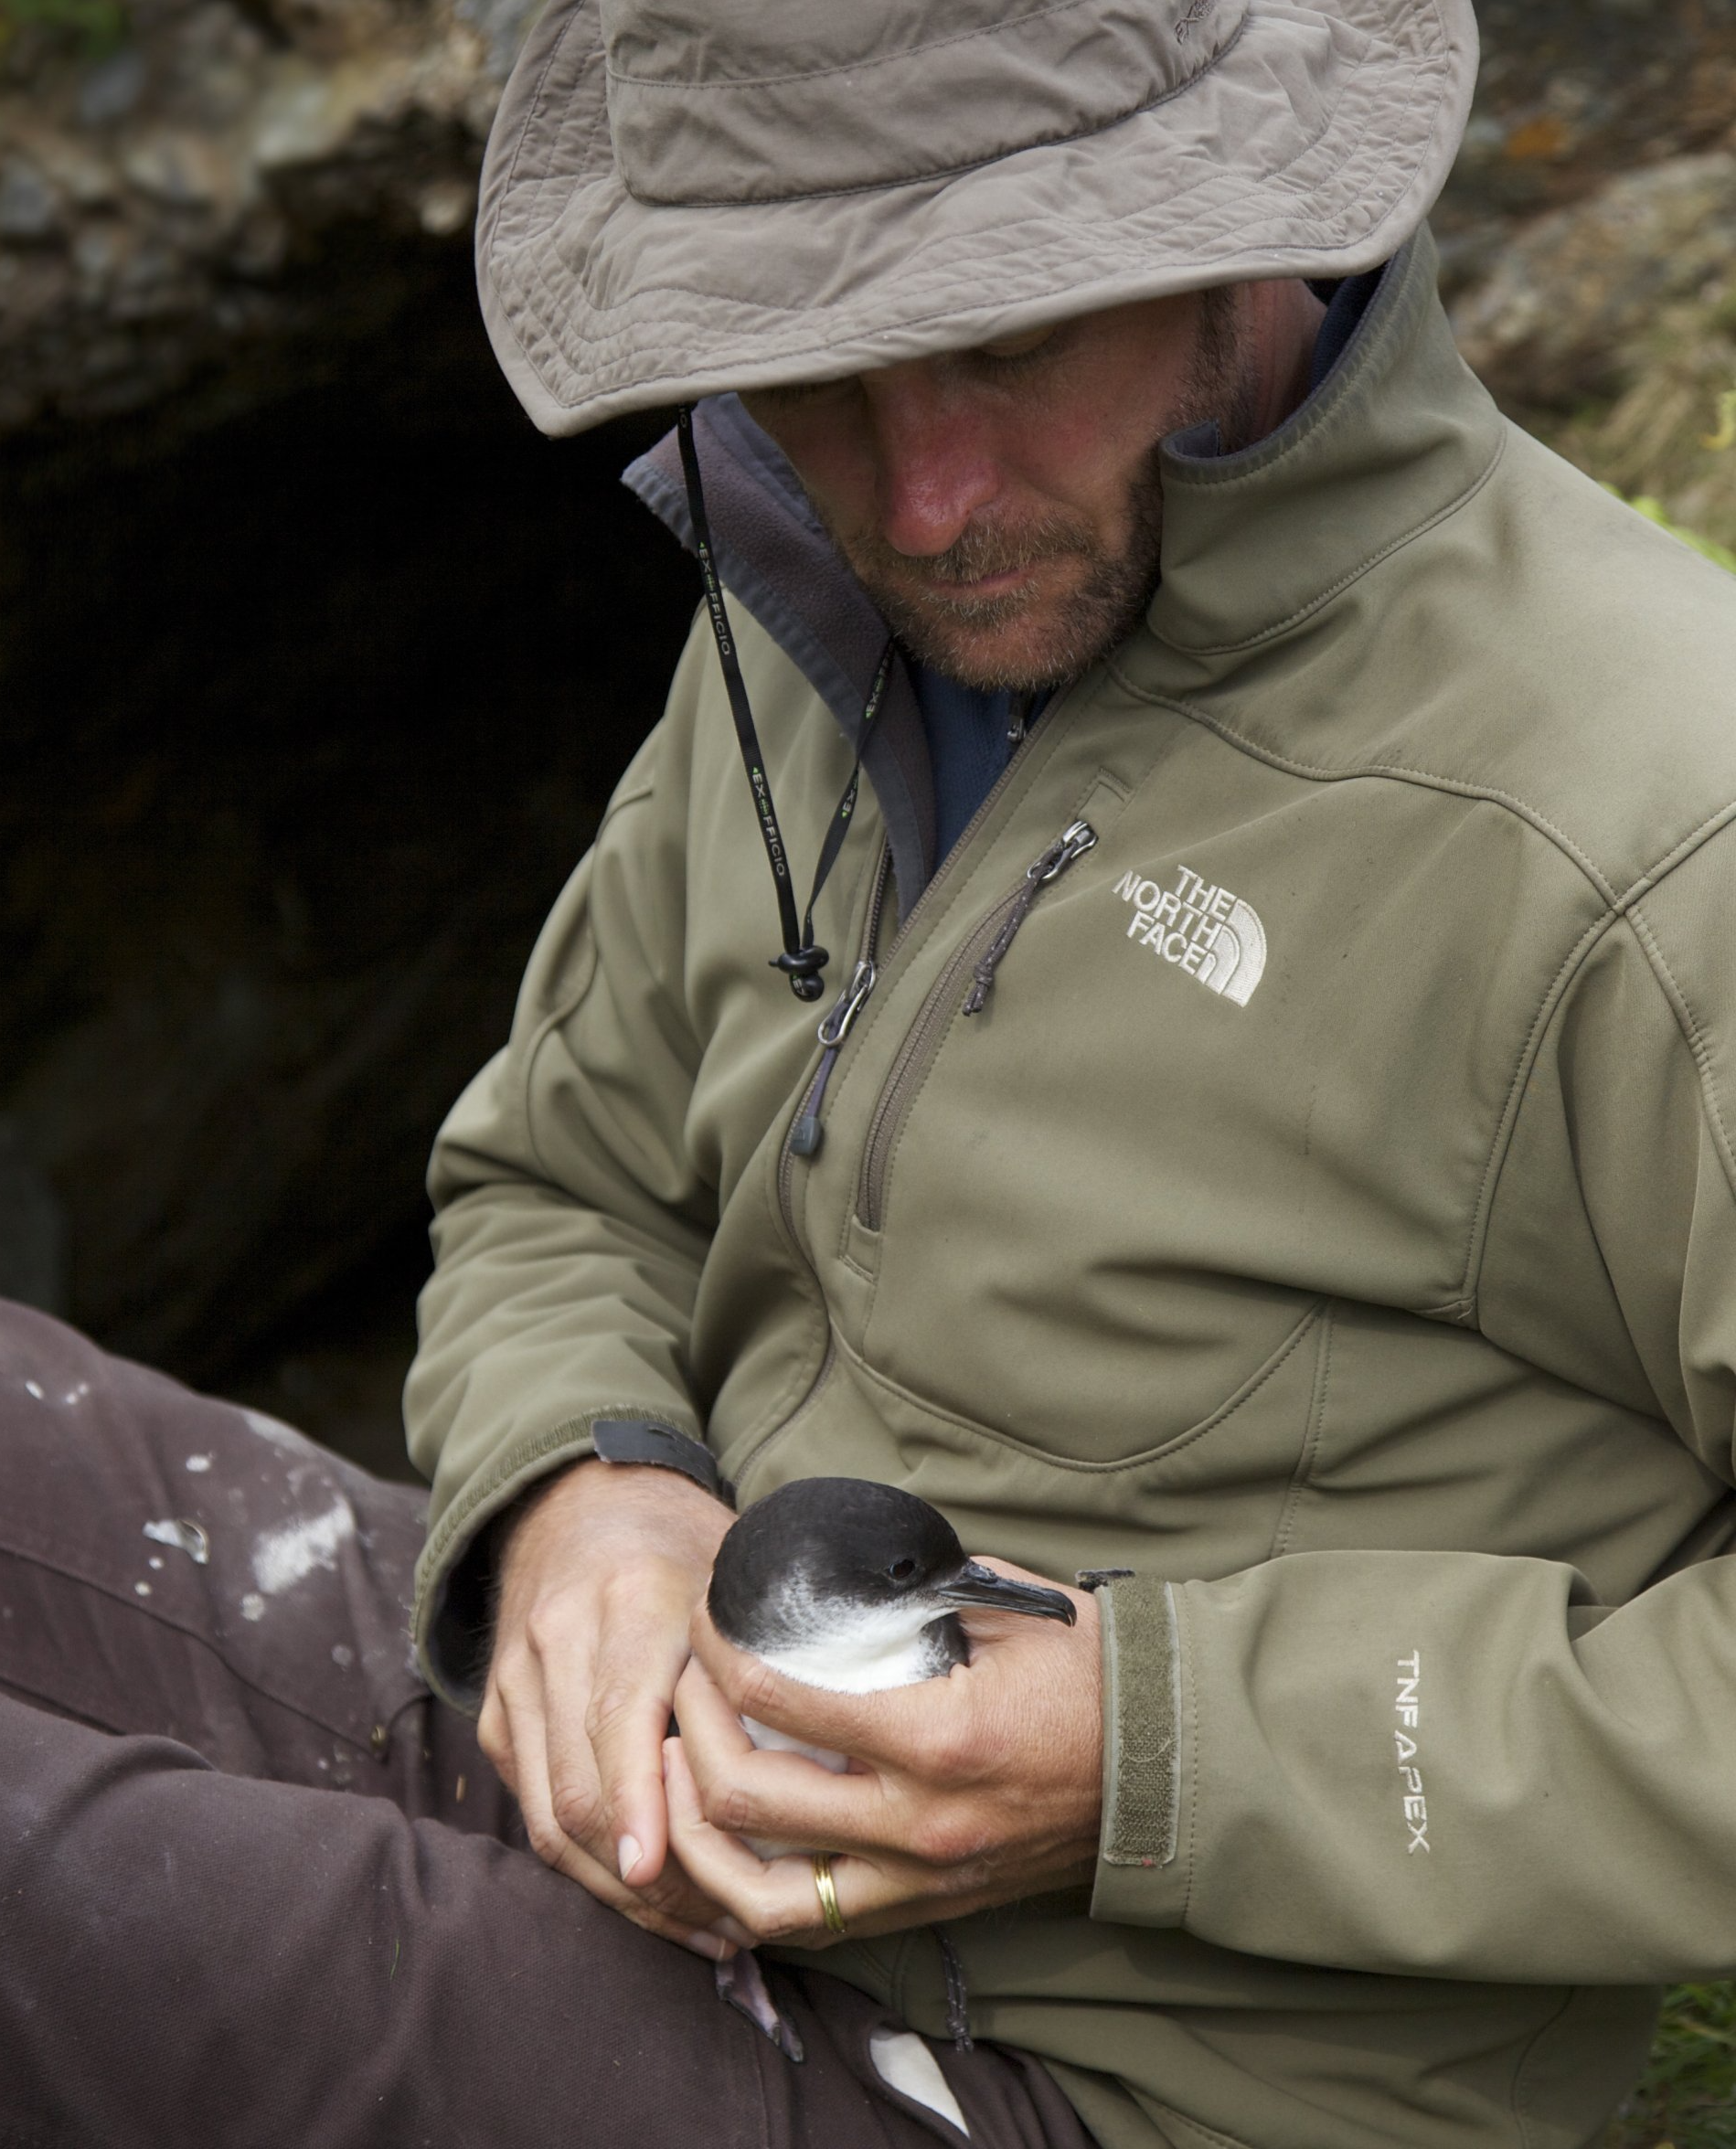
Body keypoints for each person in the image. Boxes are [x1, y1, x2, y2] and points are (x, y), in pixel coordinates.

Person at [8, 2, 1736, 2145]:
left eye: (1008, 339)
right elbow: (559, 1173)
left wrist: (1152, 1756)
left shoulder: (1656, 820)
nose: (921, 497)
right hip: (661, 1815)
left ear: (1242, 207)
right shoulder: (821, 611)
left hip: (1084, 2084)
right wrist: (584, 1498)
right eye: (815, 355)